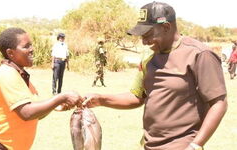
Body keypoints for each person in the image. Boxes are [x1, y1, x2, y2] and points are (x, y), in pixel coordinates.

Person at [83, 2, 227, 150]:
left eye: (148, 35)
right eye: (142, 37)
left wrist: (195, 145)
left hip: (182, 145)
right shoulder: (149, 60)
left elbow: (219, 103)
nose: (144, 42)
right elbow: (137, 97)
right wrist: (101, 99)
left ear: (166, 27)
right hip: (149, 145)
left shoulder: (199, 55)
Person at [0, 28, 82, 150]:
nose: (32, 49)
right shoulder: (6, 74)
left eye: (31, 45)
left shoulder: (20, 75)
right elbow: (26, 112)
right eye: (26, 46)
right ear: (10, 53)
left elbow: (34, 114)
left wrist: (54, 105)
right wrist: (61, 97)